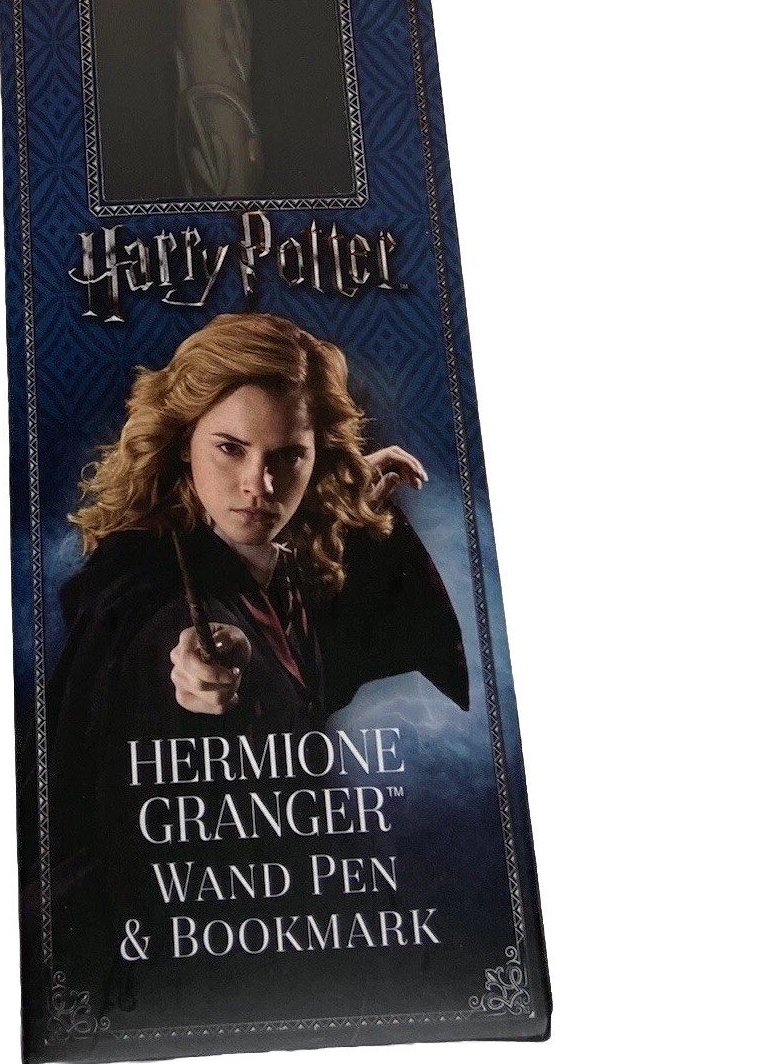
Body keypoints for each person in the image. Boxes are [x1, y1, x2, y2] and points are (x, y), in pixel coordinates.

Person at [44, 312, 469, 1012]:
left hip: (293, 919)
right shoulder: (140, 584)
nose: (258, 485)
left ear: (317, 457)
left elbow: (314, 662)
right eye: (230, 448)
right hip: (169, 944)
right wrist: (197, 664)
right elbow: (166, 639)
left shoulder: (282, 566)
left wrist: (346, 511)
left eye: (287, 457)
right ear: (183, 442)